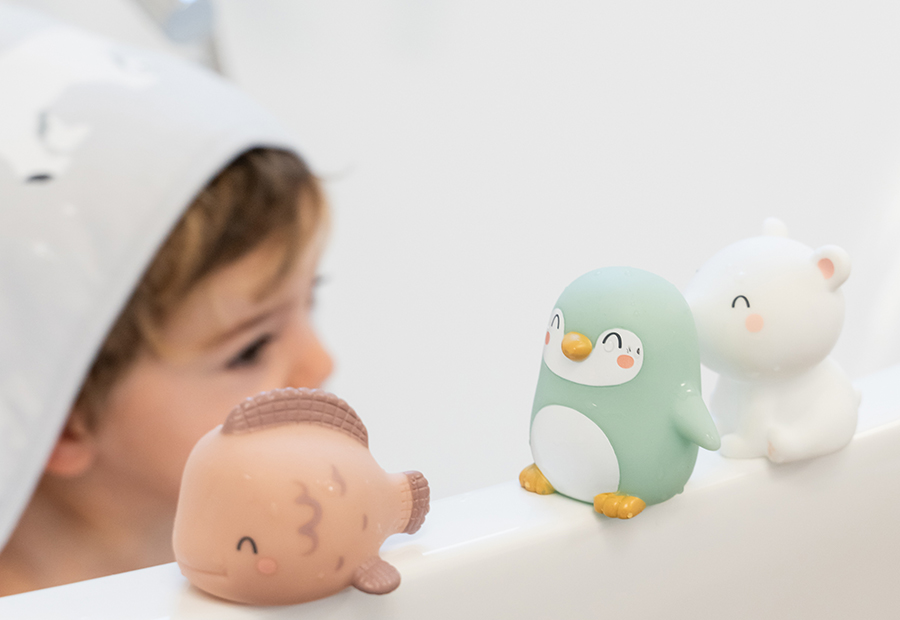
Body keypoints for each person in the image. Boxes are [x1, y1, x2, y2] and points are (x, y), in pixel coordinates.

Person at [0, 5, 332, 595]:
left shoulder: (274, 545)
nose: (320, 365)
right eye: (251, 348)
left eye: (311, 301)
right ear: (64, 421)